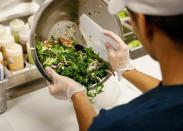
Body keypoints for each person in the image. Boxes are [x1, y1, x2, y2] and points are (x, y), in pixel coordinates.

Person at [45, 0, 183, 130]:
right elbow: (172, 94)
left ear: (143, 23)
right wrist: (127, 69)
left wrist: (75, 93)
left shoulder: (126, 122)